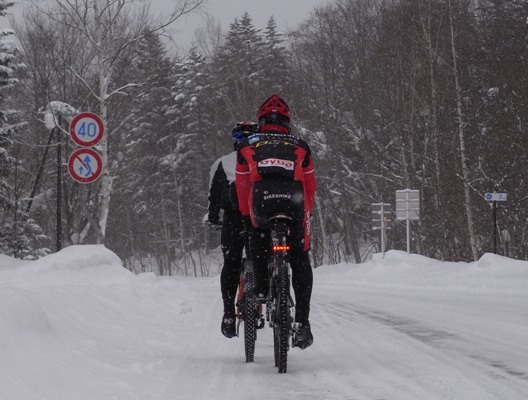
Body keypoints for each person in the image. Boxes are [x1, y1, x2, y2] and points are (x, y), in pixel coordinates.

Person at [235, 94, 316, 349]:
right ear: (287, 123)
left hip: (262, 203)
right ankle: (303, 323)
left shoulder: (248, 144)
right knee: (300, 259)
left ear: (261, 122)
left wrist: (247, 216)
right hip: (294, 204)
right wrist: (306, 214)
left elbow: (243, 186)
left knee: (255, 235)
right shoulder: (300, 145)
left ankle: (259, 287)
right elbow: (310, 186)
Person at [205, 121, 260, 339]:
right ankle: (270, 292)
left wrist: (212, 218)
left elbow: (214, 196)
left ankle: (228, 313)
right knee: (262, 259)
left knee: (231, 262)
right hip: (258, 218)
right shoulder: (263, 159)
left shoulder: (222, 163)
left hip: (233, 219)